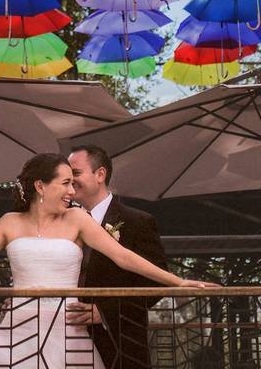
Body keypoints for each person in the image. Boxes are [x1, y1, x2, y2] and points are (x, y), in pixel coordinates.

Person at [0, 153, 217, 368]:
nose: (72, 191)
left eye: (73, 183)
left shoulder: (77, 219)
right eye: (64, 183)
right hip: (15, 333)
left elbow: (124, 257)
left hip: (68, 334)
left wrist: (179, 281)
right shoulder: (8, 222)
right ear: (40, 186)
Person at [67, 145, 173, 369]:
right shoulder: (61, 221)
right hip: (62, 338)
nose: (69, 180)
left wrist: (105, 311)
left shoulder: (137, 222)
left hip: (118, 341)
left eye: (75, 173)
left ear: (100, 174)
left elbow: (155, 282)